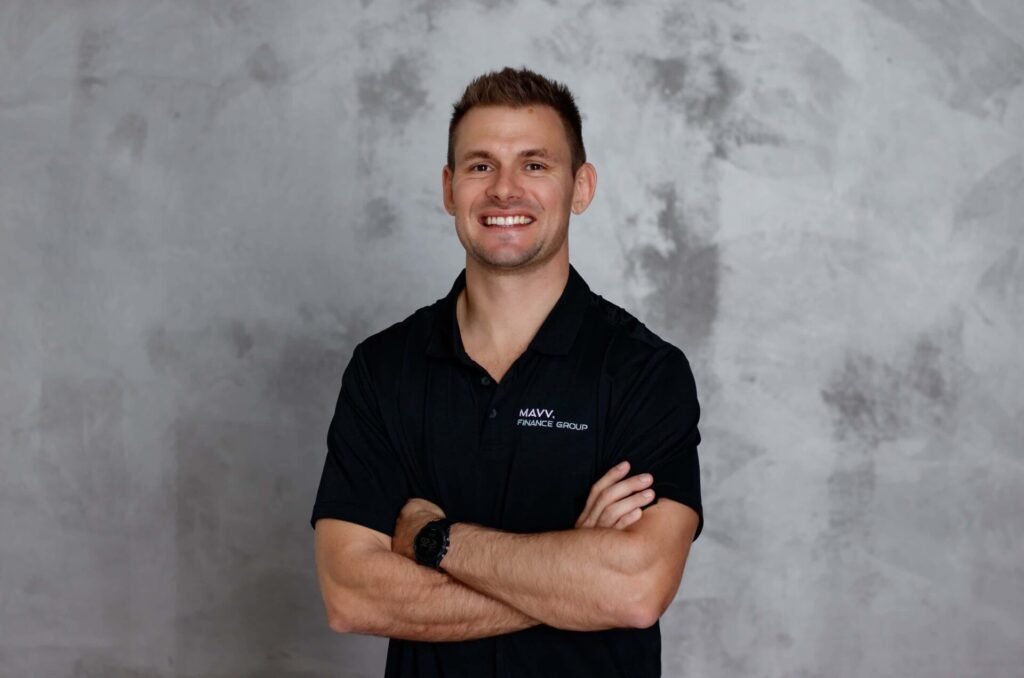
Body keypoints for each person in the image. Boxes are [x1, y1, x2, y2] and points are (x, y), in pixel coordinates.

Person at [311, 67, 703, 677]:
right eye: (480, 166)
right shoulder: (383, 368)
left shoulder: (645, 373)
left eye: (535, 165)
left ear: (581, 187)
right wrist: (572, 580)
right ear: (449, 189)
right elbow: (350, 595)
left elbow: (634, 589)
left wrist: (432, 540)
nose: (504, 190)